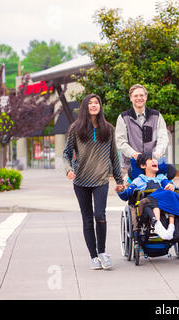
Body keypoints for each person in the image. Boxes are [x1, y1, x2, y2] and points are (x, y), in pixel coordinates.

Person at [63, 94, 125, 270]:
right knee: (87, 219)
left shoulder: (108, 129)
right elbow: (66, 153)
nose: (93, 105)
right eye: (90, 103)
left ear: (100, 106)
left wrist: (119, 180)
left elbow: (114, 156)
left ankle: (102, 252)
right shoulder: (76, 128)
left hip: (100, 180)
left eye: (96, 103)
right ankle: (93, 257)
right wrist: (68, 169)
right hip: (81, 180)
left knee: (100, 215)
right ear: (85, 107)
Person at [117, 152, 179, 240]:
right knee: (151, 199)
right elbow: (126, 195)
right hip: (147, 207)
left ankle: (173, 227)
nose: (155, 161)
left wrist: (171, 186)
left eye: (155, 160)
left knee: (174, 195)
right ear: (143, 166)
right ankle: (157, 224)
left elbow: (168, 184)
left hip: (164, 206)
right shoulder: (139, 180)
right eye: (151, 160)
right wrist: (121, 191)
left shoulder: (161, 178)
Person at [115, 84, 169, 180]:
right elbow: (120, 141)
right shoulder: (123, 117)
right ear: (131, 98)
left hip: (153, 166)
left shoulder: (157, 116)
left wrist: (156, 154)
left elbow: (163, 138)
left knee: (153, 193)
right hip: (130, 166)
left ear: (146, 97)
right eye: (135, 96)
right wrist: (134, 154)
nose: (139, 98)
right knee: (131, 194)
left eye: (141, 95)